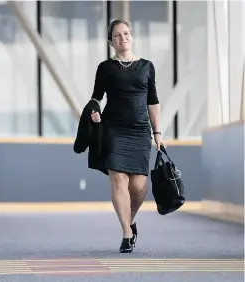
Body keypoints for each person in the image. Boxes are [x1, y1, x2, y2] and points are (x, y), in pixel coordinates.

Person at [90, 19, 165, 253]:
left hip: (140, 131)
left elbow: (152, 101)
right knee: (118, 179)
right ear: (111, 42)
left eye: (125, 34)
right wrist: (94, 111)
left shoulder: (146, 66)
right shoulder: (105, 68)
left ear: (131, 36)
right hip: (113, 129)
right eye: (117, 35)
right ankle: (125, 233)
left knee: (139, 186)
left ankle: (131, 220)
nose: (122, 38)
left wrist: (157, 132)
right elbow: (96, 97)